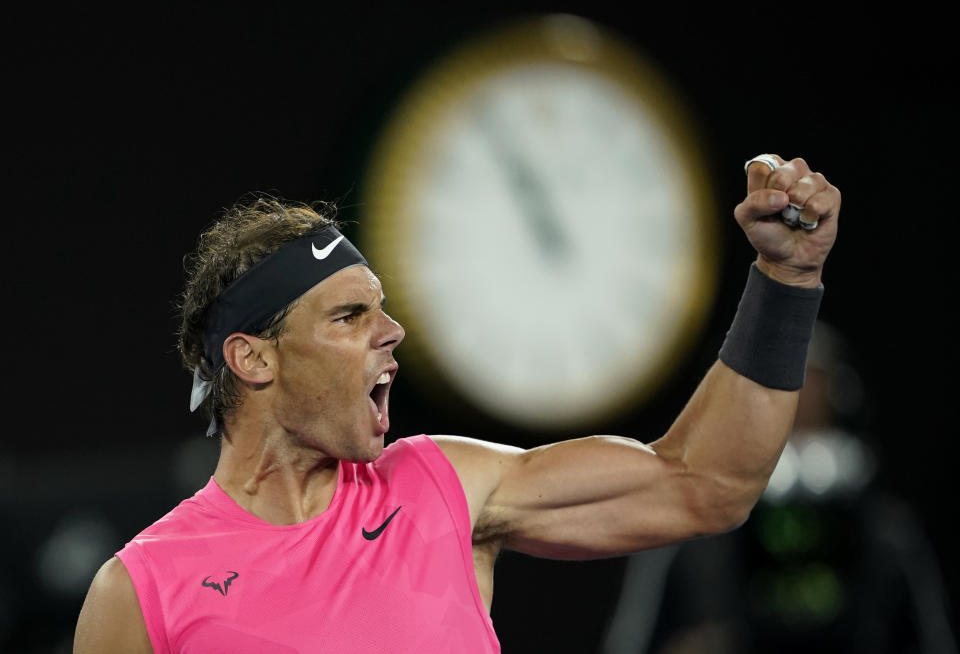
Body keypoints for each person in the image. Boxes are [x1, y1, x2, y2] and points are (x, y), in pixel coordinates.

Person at [73, 153, 841, 653]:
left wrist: (787, 282)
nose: (393, 333)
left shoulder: (445, 487)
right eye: (349, 317)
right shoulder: (141, 593)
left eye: (382, 308)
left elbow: (706, 482)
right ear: (253, 358)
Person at [601, 321, 958, 653]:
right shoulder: (688, 532)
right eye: (778, 380)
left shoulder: (886, 533)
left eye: (811, 380)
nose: (797, 394)